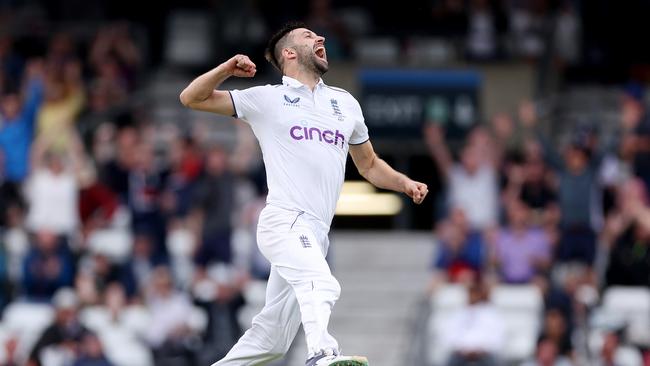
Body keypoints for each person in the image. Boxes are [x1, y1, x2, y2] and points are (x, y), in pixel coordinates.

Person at [180, 21, 428, 366]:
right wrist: (226, 69)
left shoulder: (345, 104)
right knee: (320, 281)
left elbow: (369, 165)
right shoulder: (267, 99)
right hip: (284, 220)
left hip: (315, 232)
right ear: (289, 53)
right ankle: (322, 354)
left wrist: (405, 184)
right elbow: (191, 98)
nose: (321, 38)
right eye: (309, 36)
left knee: (272, 340)